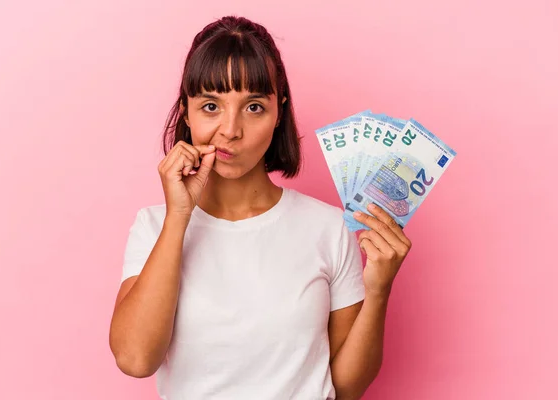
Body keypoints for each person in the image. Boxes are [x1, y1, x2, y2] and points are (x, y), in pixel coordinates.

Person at [109, 15, 412, 400]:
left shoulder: (327, 227)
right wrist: (180, 217)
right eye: (210, 106)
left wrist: (379, 289)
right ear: (185, 111)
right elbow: (135, 359)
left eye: (253, 107)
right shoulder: (154, 226)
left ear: (278, 111)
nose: (230, 130)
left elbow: (346, 387)